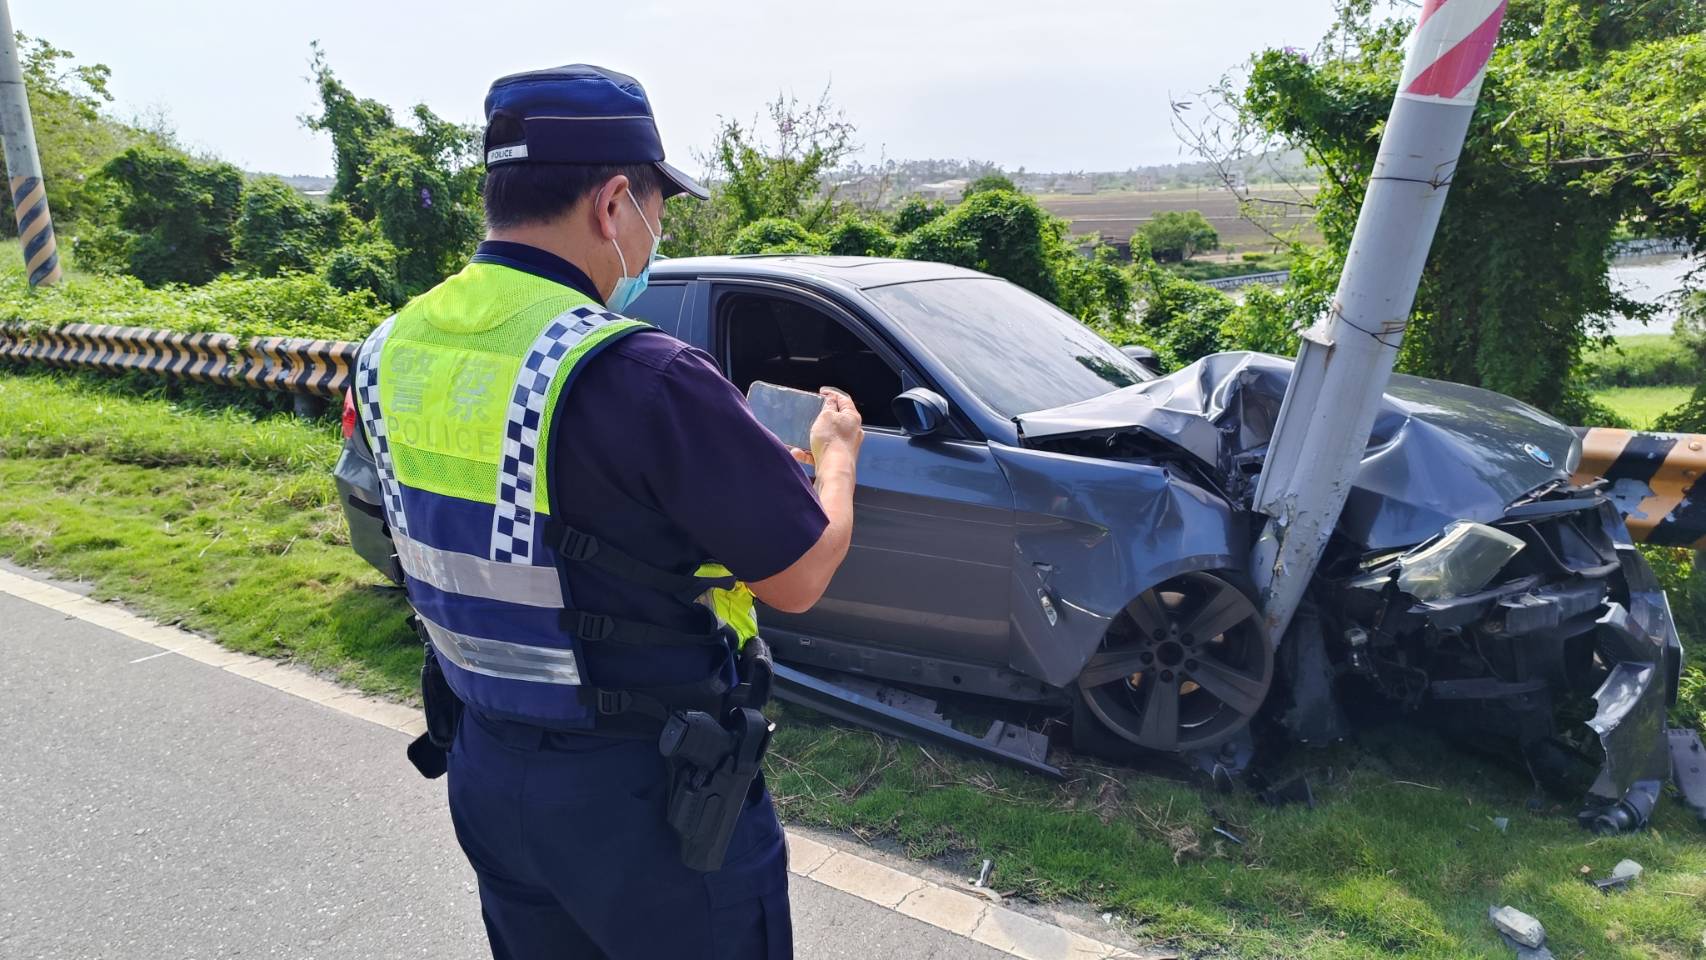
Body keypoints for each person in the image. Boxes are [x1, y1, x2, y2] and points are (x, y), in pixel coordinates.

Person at [350, 64, 862, 959]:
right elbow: (803, 573)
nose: (656, 232)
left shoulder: (393, 345)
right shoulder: (645, 373)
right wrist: (837, 458)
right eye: (658, 209)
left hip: (483, 764)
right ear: (615, 201)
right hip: (646, 797)